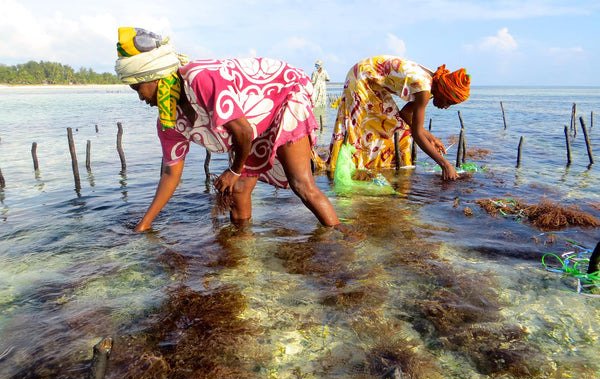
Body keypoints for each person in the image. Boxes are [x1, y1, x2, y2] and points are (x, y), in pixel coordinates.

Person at [114, 27, 344, 232]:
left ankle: (344, 236)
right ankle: (241, 249)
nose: (140, 97)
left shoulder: (199, 78)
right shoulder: (170, 122)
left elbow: (243, 131)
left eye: (138, 88)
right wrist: (145, 224)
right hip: (251, 121)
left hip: (283, 94)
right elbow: (170, 173)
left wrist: (233, 171)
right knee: (239, 191)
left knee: (301, 183)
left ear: (154, 77)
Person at [322, 55, 470, 181]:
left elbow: (405, 114)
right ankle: (353, 168)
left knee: (399, 128)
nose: (446, 107)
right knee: (364, 129)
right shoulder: (424, 89)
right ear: (443, 91)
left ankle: (382, 170)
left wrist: (428, 136)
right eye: (448, 102)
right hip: (361, 77)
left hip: (372, 81)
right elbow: (417, 134)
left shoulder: (432, 86)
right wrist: (445, 164)